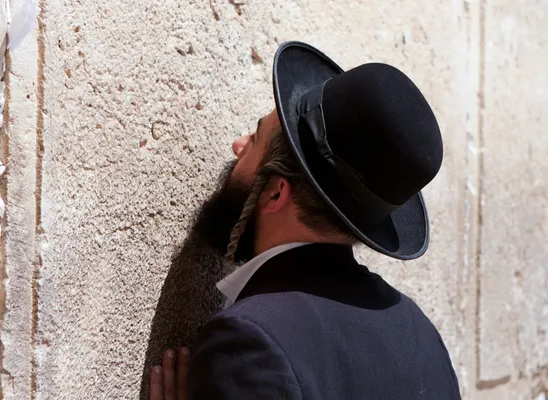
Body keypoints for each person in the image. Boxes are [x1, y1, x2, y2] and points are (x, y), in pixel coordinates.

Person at [148, 41, 461, 400]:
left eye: (256, 137)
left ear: (276, 193)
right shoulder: (423, 337)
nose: (238, 145)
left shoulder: (249, 343)